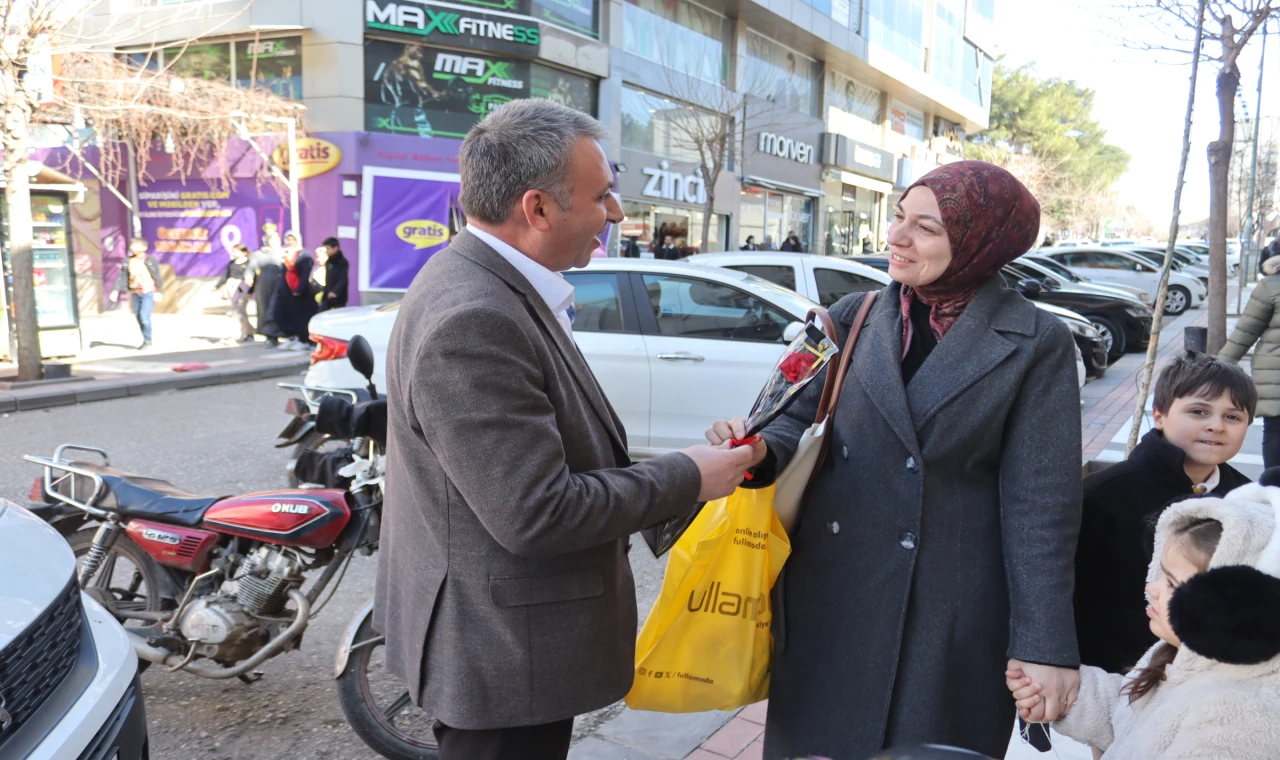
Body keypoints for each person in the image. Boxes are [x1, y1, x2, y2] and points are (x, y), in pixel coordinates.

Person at [374, 99, 756, 760]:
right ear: (538, 209)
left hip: (503, 648)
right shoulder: (474, 316)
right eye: (603, 195)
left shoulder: (492, 281)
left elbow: (555, 453)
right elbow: (537, 513)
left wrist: (689, 460)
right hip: (499, 659)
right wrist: (691, 476)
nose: (616, 214)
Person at [707, 161, 1082, 760]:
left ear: (983, 241)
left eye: (926, 227)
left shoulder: (1037, 342)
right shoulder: (847, 316)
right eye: (900, 217)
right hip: (832, 596)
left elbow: (1043, 505)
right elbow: (783, 418)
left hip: (950, 612)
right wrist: (753, 449)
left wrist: (1044, 642)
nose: (897, 237)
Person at [1010, 481, 1280, 757]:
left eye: (1173, 584)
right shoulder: (1177, 657)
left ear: (1245, 604)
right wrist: (1069, 694)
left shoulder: (1235, 721)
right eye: (1160, 573)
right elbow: (1132, 723)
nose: (1152, 587)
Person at [1075, 353, 1255, 677]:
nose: (1215, 425)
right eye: (1198, 411)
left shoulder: (1249, 499)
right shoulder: (1104, 493)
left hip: (1212, 677)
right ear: (1158, 415)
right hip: (1111, 672)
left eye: (1233, 416)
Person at [1220, 258, 1280, 468]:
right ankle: (1274, 489)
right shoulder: (1272, 285)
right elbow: (1247, 330)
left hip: (1273, 368)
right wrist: (1218, 368)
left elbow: (1246, 330)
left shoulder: (1271, 285)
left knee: (1275, 429)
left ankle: (1273, 491)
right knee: (1276, 429)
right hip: (1275, 370)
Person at [109, 237, 164, 349]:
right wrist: (115, 290)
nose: (132, 247)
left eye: (135, 245)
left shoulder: (150, 260)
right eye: (132, 245)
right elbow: (122, 276)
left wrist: (158, 291)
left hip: (147, 292)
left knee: (144, 316)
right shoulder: (129, 261)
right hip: (135, 292)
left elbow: (157, 276)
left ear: (144, 247)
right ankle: (145, 339)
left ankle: (148, 341)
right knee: (139, 316)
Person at [271, 231, 317, 351]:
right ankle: (291, 337)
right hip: (285, 292)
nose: (290, 242)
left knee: (300, 317)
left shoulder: (304, 255)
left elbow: (305, 275)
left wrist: (299, 289)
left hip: (299, 292)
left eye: (293, 240)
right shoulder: (285, 255)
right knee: (280, 314)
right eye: (288, 240)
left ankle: (304, 340)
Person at [247, 232, 285, 347]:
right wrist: (248, 276)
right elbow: (251, 268)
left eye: (278, 239)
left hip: (280, 286)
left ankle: (279, 334)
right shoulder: (258, 254)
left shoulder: (283, 253)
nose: (276, 242)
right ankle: (269, 336)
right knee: (264, 310)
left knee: (277, 310)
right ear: (267, 241)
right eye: (273, 239)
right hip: (263, 287)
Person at [215, 243, 254, 342]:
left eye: (236, 251)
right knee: (239, 311)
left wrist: (251, 291)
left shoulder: (249, 263)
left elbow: (252, 278)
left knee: (238, 310)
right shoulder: (232, 263)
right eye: (233, 251)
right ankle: (249, 332)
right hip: (232, 289)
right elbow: (225, 276)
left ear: (244, 252)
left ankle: (240, 334)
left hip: (242, 289)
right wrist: (217, 286)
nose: (234, 253)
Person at [318, 237, 349, 311]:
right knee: (320, 312)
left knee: (338, 316)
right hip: (327, 294)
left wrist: (335, 291)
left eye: (328, 249)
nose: (326, 251)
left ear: (335, 248)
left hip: (339, 296)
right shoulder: (329, 261)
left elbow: (343, 279)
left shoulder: (343, 262)